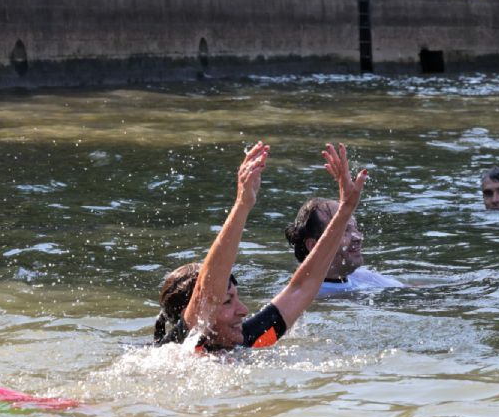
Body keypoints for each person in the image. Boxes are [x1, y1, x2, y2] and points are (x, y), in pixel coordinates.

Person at [154, 142, 367, 352]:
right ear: (191, 312)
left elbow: (303, 287)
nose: (243, 311)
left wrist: (345, 210)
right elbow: (207, 290)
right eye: (227, 302)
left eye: (236, 298)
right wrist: (242, 204)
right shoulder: (182, 345)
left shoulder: (247, 339)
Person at [286, 197, 401, 297]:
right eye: (344, 230)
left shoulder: (363, 277)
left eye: (355, 228)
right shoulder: (305, 300)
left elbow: (411, 288)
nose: (358, 237)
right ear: (314, 245)